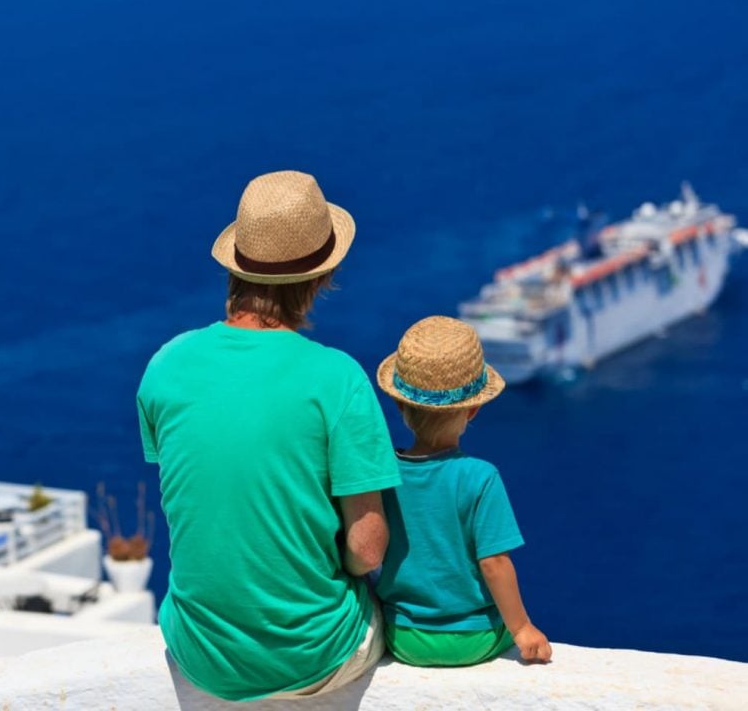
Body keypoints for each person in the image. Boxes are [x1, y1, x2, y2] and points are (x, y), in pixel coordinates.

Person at [136, 170, 401, 700]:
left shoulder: (165, 367)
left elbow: (213, 497)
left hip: (199, 651)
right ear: (321, 278)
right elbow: (368, 550)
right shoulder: (338, 378)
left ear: (236, 266)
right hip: (315, 654)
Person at [373, 315, 552, 667]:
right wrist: (522, 628)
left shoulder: (382, 473)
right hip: (474, 638)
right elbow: (495, 563)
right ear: (474, 409)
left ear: (398, 404)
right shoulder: (480, 477)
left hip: (403, 636)